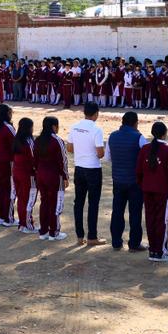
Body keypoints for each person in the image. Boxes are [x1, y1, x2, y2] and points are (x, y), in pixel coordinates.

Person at [135, 121, 168, 262]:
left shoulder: (145, 149)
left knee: (151, 219)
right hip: (163, 192)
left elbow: (138, 171)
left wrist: (143, 185)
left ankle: (153, 250)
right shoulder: (167, 150)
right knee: (162, 221)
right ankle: (160, 252)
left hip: (147, 190)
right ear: (164, 134)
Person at [107, 111, 148, 252]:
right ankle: (134, 243)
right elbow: (146, 159)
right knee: (135, 213)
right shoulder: (139, 137)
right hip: (135, 181)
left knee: (117, 211)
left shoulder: (112, 136)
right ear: (136, 123)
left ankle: (116, 242)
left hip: (118, 180)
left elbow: (108, 158)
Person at [67, 101, 106, 246]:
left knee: (78, 202)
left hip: (79, 167)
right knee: (93, 203)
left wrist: (81, 151)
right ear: (96, 114)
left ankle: (79, 236)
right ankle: (92, 237)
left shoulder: (75, 126)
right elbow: (100, 153)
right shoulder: (96, 129)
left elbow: (69, 148)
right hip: (93, 168)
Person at [33, 116, 69, 241]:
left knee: (44, 202)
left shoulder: (38, 140)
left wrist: (38, 171)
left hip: (41, 174)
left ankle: (43, 231)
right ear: (54, 126)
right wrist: (65, 176)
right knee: (55, 202)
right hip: (54, 176)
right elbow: (63, 160)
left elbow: (34, 159)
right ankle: (54, 232)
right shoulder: (57, 140)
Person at [0, 104, 18, 227]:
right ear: (7, 113)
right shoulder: (8, 127)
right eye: (11, 113)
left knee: (0, 188)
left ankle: (0, 216)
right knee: (9, 189)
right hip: (7, 162)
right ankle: (8, 218)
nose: (11, 115)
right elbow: (16, 144)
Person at [11, 117, 38, 232]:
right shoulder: (29, 141)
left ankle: (22, 224)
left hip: (16, 172)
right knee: (29, 199)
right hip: (28, 175)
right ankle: (27, 224)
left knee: (21, 199)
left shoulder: (16, 139)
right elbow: (34, 158)